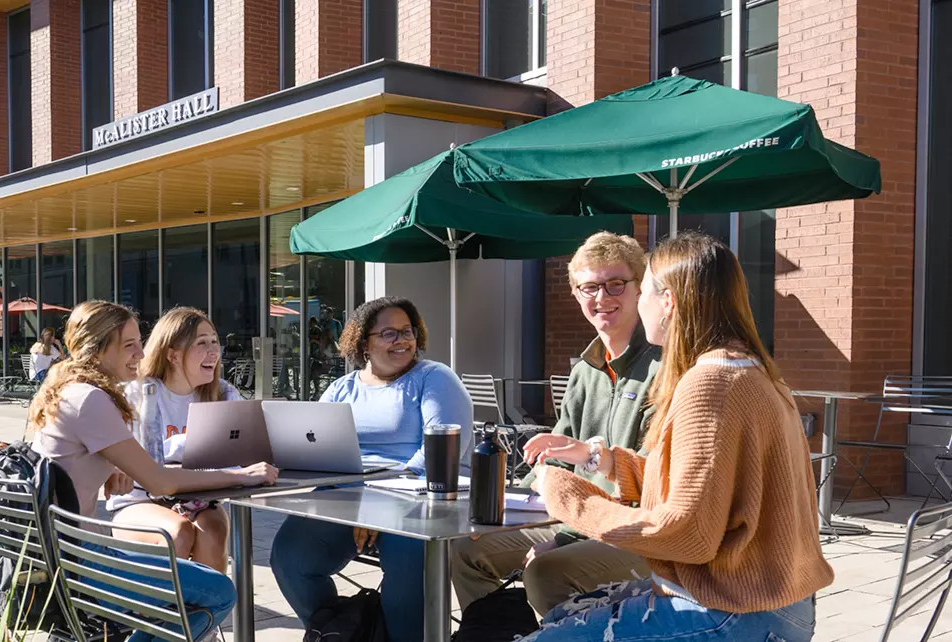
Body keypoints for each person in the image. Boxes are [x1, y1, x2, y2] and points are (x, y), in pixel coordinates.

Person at [520, 232, 832, 641]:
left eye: (642, 291)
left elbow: (687, 536)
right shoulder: (747, 368)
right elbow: (698, 485)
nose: (639, 305)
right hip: (769, 600)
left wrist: (567, 496)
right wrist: (605, 461)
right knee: (562, 613)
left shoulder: (711, 383)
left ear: (667, 302)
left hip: (735, 612)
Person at [27, 300, 278, 641]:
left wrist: (111, 464)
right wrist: (241, 476)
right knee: (218, 593)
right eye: (129, 344)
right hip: (78, 564)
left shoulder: (65, 390)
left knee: (203, 557)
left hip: (59, 554)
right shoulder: (92, 398)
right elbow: (160, 481)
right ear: (98, 349)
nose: (141, 352)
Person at [451, 232, 657, 615]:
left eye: (615, 284)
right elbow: (557, 457)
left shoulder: (664, 367)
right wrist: (505, 511)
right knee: (466, 548)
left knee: (546, 571)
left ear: (640, 289)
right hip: (573, 518)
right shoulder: (584, 371)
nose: (602, 298)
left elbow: (648, 483)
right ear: (577, 295)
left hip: (635, 532)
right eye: (590, 287)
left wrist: (563, 538)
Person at [270, 296, 472, 642]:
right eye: (389, 334)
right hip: (346, 499)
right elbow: (315, 445)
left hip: (417, 502)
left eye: (407, 332)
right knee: (290, 558)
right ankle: (345, 632)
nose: (403, 341)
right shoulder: (342, 388)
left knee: (408, 567)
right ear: (364, 342)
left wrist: (377, 509)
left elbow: (439, 453)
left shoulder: (435, 378)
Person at [106, 307, 240, 570]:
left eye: (215, 341)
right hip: (138, 501)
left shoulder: (223, 394)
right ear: (173, 355)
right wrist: (190, 443)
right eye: (202, 343)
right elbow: (140, 457)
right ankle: (155, 611)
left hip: (200, 500)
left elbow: (237, 452)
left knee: (213, 535)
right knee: (177, 533)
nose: (214, 351)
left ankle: (204, 611)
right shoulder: (139, 394)